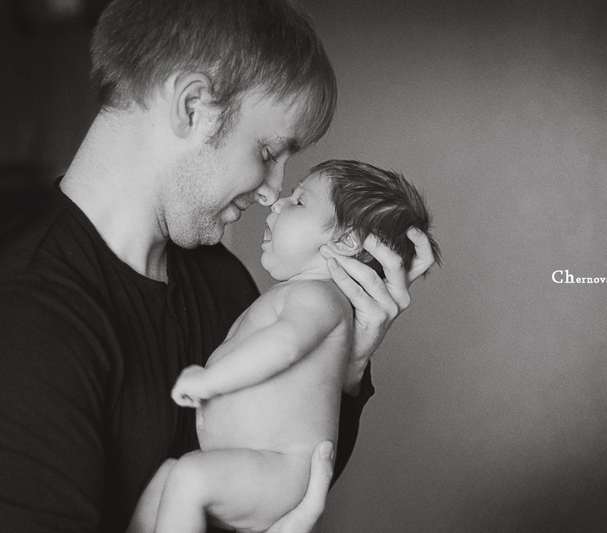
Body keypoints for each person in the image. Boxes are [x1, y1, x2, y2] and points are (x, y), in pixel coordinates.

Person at [0, 1, 436, 532]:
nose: (272, 191)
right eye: (268, 151)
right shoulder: (14, 324)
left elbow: (274, 481)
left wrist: (349, 362)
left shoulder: (220, 278)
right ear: (192, 107)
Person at [134, 160, 440, 533]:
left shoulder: (319, 296)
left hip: (278, 471)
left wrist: (208, 381)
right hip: (252, 465)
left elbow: (285, 345)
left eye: (298, 201)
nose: (277, 201)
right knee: (165, 481)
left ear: (343, 241)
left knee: (189, 477)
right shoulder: (300, 294)